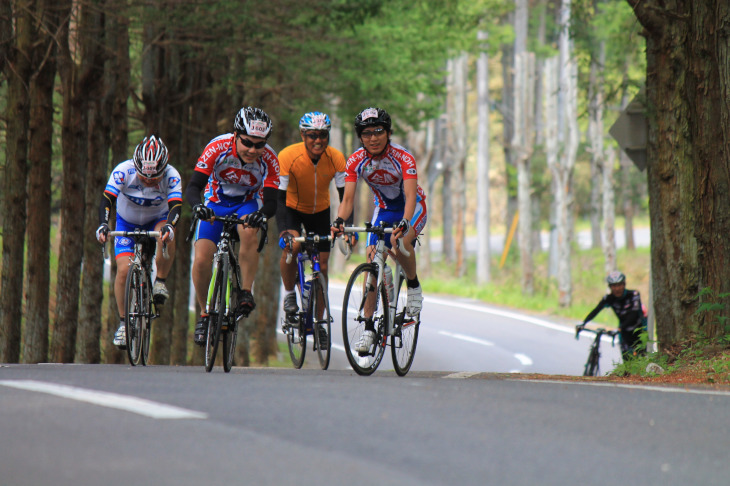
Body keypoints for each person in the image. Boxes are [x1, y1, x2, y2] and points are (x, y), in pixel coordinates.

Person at [331, 107, 427, 353]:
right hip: (383, 209)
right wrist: (339, 221)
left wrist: (405, 223)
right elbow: (348, 201)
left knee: (401, 243)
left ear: (388, 132)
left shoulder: (403, 157)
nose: (373, 138)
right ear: (360, 136)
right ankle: (368, 329)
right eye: (366, 133)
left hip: (411, 207)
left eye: (378, 131)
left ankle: (414, 287)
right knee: (372, 266)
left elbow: (409, 196)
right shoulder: (355, 161)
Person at [186, 106, 279, 346]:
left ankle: (246, 291)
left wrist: (262, 215)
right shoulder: (217, 147)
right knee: (201, 259)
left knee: (249, 230)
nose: (253, 150)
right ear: (235, 135)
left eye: (259, 144)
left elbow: (271, 202)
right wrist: (198, 206)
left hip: (247, 202)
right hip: (215, 202)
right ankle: (205, 314)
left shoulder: (269, 158)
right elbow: (194, 187)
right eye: (247, 142)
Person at [96, 135, 181, 349]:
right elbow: (107, 200)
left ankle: (160, 281)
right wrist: (104, 224)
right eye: (144, 177)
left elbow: (175, 207)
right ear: (136, 166)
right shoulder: (124, 171)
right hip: (126, 222)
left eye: (155, 177)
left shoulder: (172, 176)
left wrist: (170, 225)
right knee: (123, 271)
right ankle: (125, 323)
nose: (149, 181)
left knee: (166, 235)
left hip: (157, 220)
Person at [277, 111, 350, 322]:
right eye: (312, 135)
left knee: (323, 266)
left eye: (323, 135)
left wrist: (346, 224)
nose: (318, 140)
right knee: (293, 246)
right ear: (303, 135)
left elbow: (345, 196)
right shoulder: (288, 156)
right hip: (291, 208)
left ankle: (319, 323)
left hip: (320, 211)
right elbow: (280, 199)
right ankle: (290, 294)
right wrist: (283, 231)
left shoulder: (336, 157)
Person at [578, 270, 647, 360]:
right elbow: (596, 310)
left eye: (619, 285)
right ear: (610, 287)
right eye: (614, 286)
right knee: (627, 361)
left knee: (642, 359)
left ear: (624, 284)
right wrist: (583, 323)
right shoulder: (609, 298)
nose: (617, 289)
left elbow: (633, 315)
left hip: (639, 330)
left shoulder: (634, 294)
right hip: (624, 332)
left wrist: (619, 328)